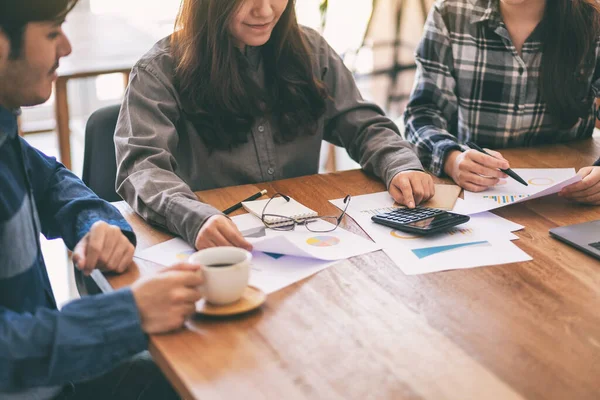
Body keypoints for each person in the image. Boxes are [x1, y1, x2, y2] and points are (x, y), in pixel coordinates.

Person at [0, 1, 203, 399]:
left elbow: (52, 181)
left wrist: (95, 223)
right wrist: (129, 313)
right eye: (53, 31)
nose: (67, 48)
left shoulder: (6, 136)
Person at [115, 0, 435, 252]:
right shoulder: (162, 69)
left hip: (309, 241)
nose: (265, 10)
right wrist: (192, 216)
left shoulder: (311, 50)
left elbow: (363, 124)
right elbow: (141, 168)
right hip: (218, 243)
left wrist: (400, 164)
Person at [404, 0, 600, 204]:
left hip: (572, 199)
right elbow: (422, 113)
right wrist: (452, 159)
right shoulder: (450, 13)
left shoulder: (592, 18)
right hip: (479, 196)